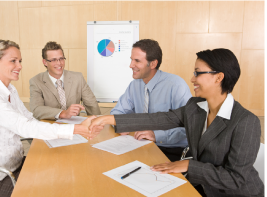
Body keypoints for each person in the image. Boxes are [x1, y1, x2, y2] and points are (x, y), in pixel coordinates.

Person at [89, 48, 265, 197]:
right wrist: (108, 118)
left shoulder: (246, 122)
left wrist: (189, 165)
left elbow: (236, 178)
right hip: (203, 187)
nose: (192, 79)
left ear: (219, 77)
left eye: (198, 73)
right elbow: (159, 119)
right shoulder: (194, 107)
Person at [0, 40, 99, 197]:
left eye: (20, 61)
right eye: (13, 61)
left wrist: (63, 134)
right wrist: (75, 129)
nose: (19, 66)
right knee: (59, 188)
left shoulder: (10, 90)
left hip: (17, 165)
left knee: (65, 170)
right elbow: (24, 126)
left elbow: (29, 119)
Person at [110, 39, 192, 161]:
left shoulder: (176, 85)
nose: (131, 65)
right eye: (131, 59)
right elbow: (117, 112)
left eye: (137, 61)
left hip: (171, 150)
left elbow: (190, 127)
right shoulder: (134, 85)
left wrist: (156, 135)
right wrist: (122, 125)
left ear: (153, 64)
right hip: (140, 145)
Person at [29, 41, 101, 120]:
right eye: (53, 60)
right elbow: (36, 110)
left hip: (74, 126)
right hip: (50, 126)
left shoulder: (78, 77)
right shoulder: (36, 81)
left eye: (61, 59)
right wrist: (63, 113)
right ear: (45, 62)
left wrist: (97, 122)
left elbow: (91, 104)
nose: (59, 63)